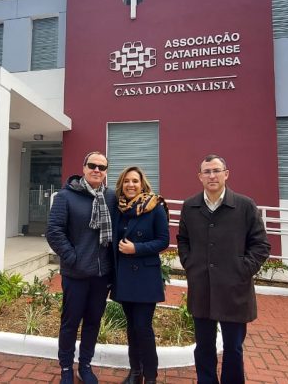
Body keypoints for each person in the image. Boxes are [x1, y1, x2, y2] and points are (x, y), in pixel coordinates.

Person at [177, 154, 271, 384]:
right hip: (202, 288)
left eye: (216, 170)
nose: (212, 175)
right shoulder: (190, 206)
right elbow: (183, 240)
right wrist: (190, 265)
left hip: (234, 291)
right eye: (207, 171)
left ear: (226, 174)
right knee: (204, 347)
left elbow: (261, 245)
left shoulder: (245, 205)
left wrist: (242, 269)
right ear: (200, 177)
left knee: (233, 348)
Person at [46, 151, 117, 384]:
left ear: (106, 172)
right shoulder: (66, 196)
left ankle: (85, 365)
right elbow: (54, 231)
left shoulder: (110, 197)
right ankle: (66, 367)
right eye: (93, 165)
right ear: (84, 167)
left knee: (93, 322)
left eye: (102, 167)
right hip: (75, 273)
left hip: (101, 274)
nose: (97, 170)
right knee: (70, 323)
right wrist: (72, 257)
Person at [111, 166, 170, 384]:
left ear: (142, 183)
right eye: (126, 181)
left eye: (135, 181)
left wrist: (137, 248)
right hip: (124, 277)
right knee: (131, 326)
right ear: (121, 184)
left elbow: (164, 241)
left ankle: (151, 376)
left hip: (145, 276)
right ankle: (135, 372)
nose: (130, 185)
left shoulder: (155, 207)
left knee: (142, 327)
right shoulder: (119, 209)